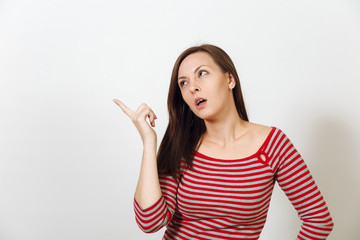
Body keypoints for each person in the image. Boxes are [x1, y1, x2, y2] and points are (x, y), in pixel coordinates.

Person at [113, 44, 334, 239]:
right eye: (183, 83)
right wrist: (149, 143)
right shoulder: (180, 145)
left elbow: (318, 220)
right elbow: (149, 222)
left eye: (202, 73)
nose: (192, 87)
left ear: (230, 79)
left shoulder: (273, 144)